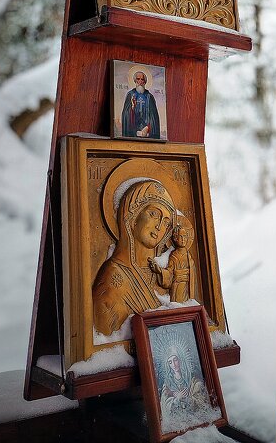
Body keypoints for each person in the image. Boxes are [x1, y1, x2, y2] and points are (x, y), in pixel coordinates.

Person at [93, 180, 175, 336]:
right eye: (154, 214)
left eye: (166, 222)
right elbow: (109, 341)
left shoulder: (157, 273)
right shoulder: (112, 279)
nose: (159, 226)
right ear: (133, 216)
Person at [160, 345, 212, 431]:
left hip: (197, 425)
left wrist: (188, 399)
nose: (173, 364)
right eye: (170, 362)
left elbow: (202, 402)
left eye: (175, 360)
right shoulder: (167, 385)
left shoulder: (193, 381)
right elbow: (165, 407)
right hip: (176, 426)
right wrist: (177, 399)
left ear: (180, 359)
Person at [150, 218, 198, 303]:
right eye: (181, 237)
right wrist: (160, 271)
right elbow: (170, 272)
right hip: (178, 287)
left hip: (188, 287)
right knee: (179, 307)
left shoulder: (189, 256)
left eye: (185, 236)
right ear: (175, 239)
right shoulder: (173, 256)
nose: (183, 239)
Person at [121, 70, 161, 138]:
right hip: (133, 131)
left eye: (142, 79)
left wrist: (148, 128)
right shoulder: (130, 95)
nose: (140, 81)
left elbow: (154, 117)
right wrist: (132, 107)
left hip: (147, 131)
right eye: (138, 79)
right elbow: (125, 115)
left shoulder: (149, 97)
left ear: (145, 82)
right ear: (135, 80)